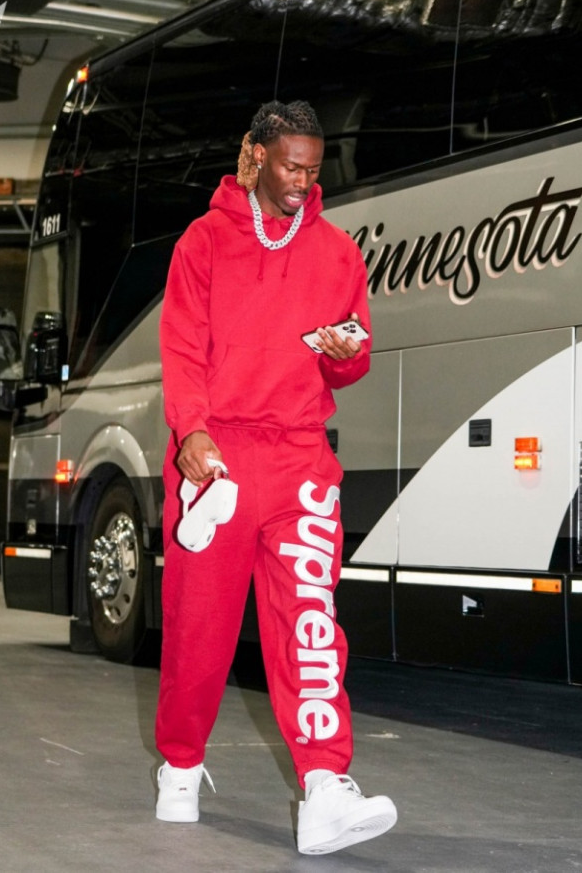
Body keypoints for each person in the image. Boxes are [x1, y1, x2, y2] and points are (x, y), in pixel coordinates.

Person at [154, 99, 397, 855]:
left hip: (299, 455)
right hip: (218, 456)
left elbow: (351, 360)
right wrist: (191, 430)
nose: (303, 181)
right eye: (292, 166)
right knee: (199, 630)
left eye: (313, 170)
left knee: (309, 624)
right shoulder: (202, 242)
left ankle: (325, 785)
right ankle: (179, 767)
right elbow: (181, 346)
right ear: (257, 157)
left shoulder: (337, 252)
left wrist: (346, 352)